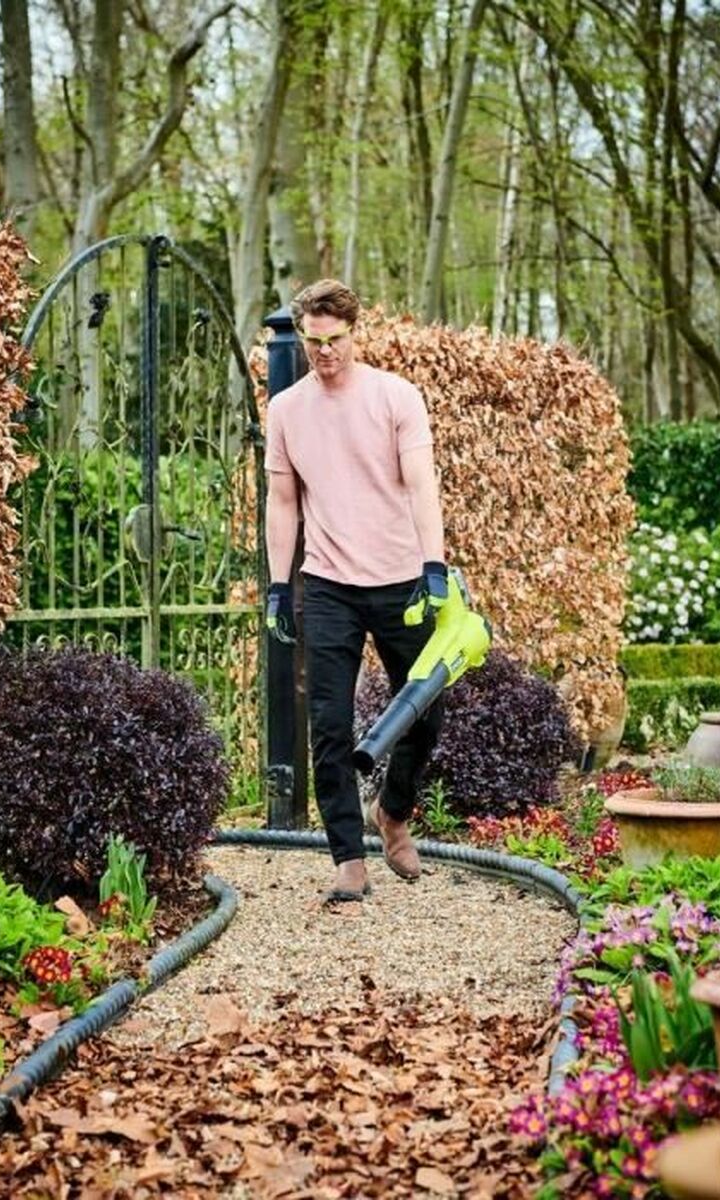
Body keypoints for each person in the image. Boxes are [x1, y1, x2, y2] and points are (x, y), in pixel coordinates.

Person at [263, 278, 450, 903]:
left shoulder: (395, 396)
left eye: (335, 340)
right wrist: (278, 587)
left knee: (427, 711)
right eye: (314, 342)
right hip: (328, 586)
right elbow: (282, 501)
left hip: (402, 580)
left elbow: (421, 483)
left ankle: (392, 813)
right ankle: (348, 856)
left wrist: (433, 565)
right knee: (329, 724)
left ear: (354, 332)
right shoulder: (287, 410)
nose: (324, 353)